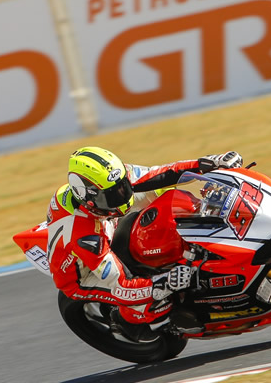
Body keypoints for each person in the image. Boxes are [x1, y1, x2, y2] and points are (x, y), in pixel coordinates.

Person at [46, 146, 242, 342]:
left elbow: (160, 173)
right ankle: (127, 324)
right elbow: (122, 285)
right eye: (113, 195)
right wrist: (165, 282)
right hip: (84, 275)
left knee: (159, 191)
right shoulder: (85, 237)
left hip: (106, 222)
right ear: (88, 198)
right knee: (152, 300)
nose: (123, 195)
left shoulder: (107, 184)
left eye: (123, 186)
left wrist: (209, 164)